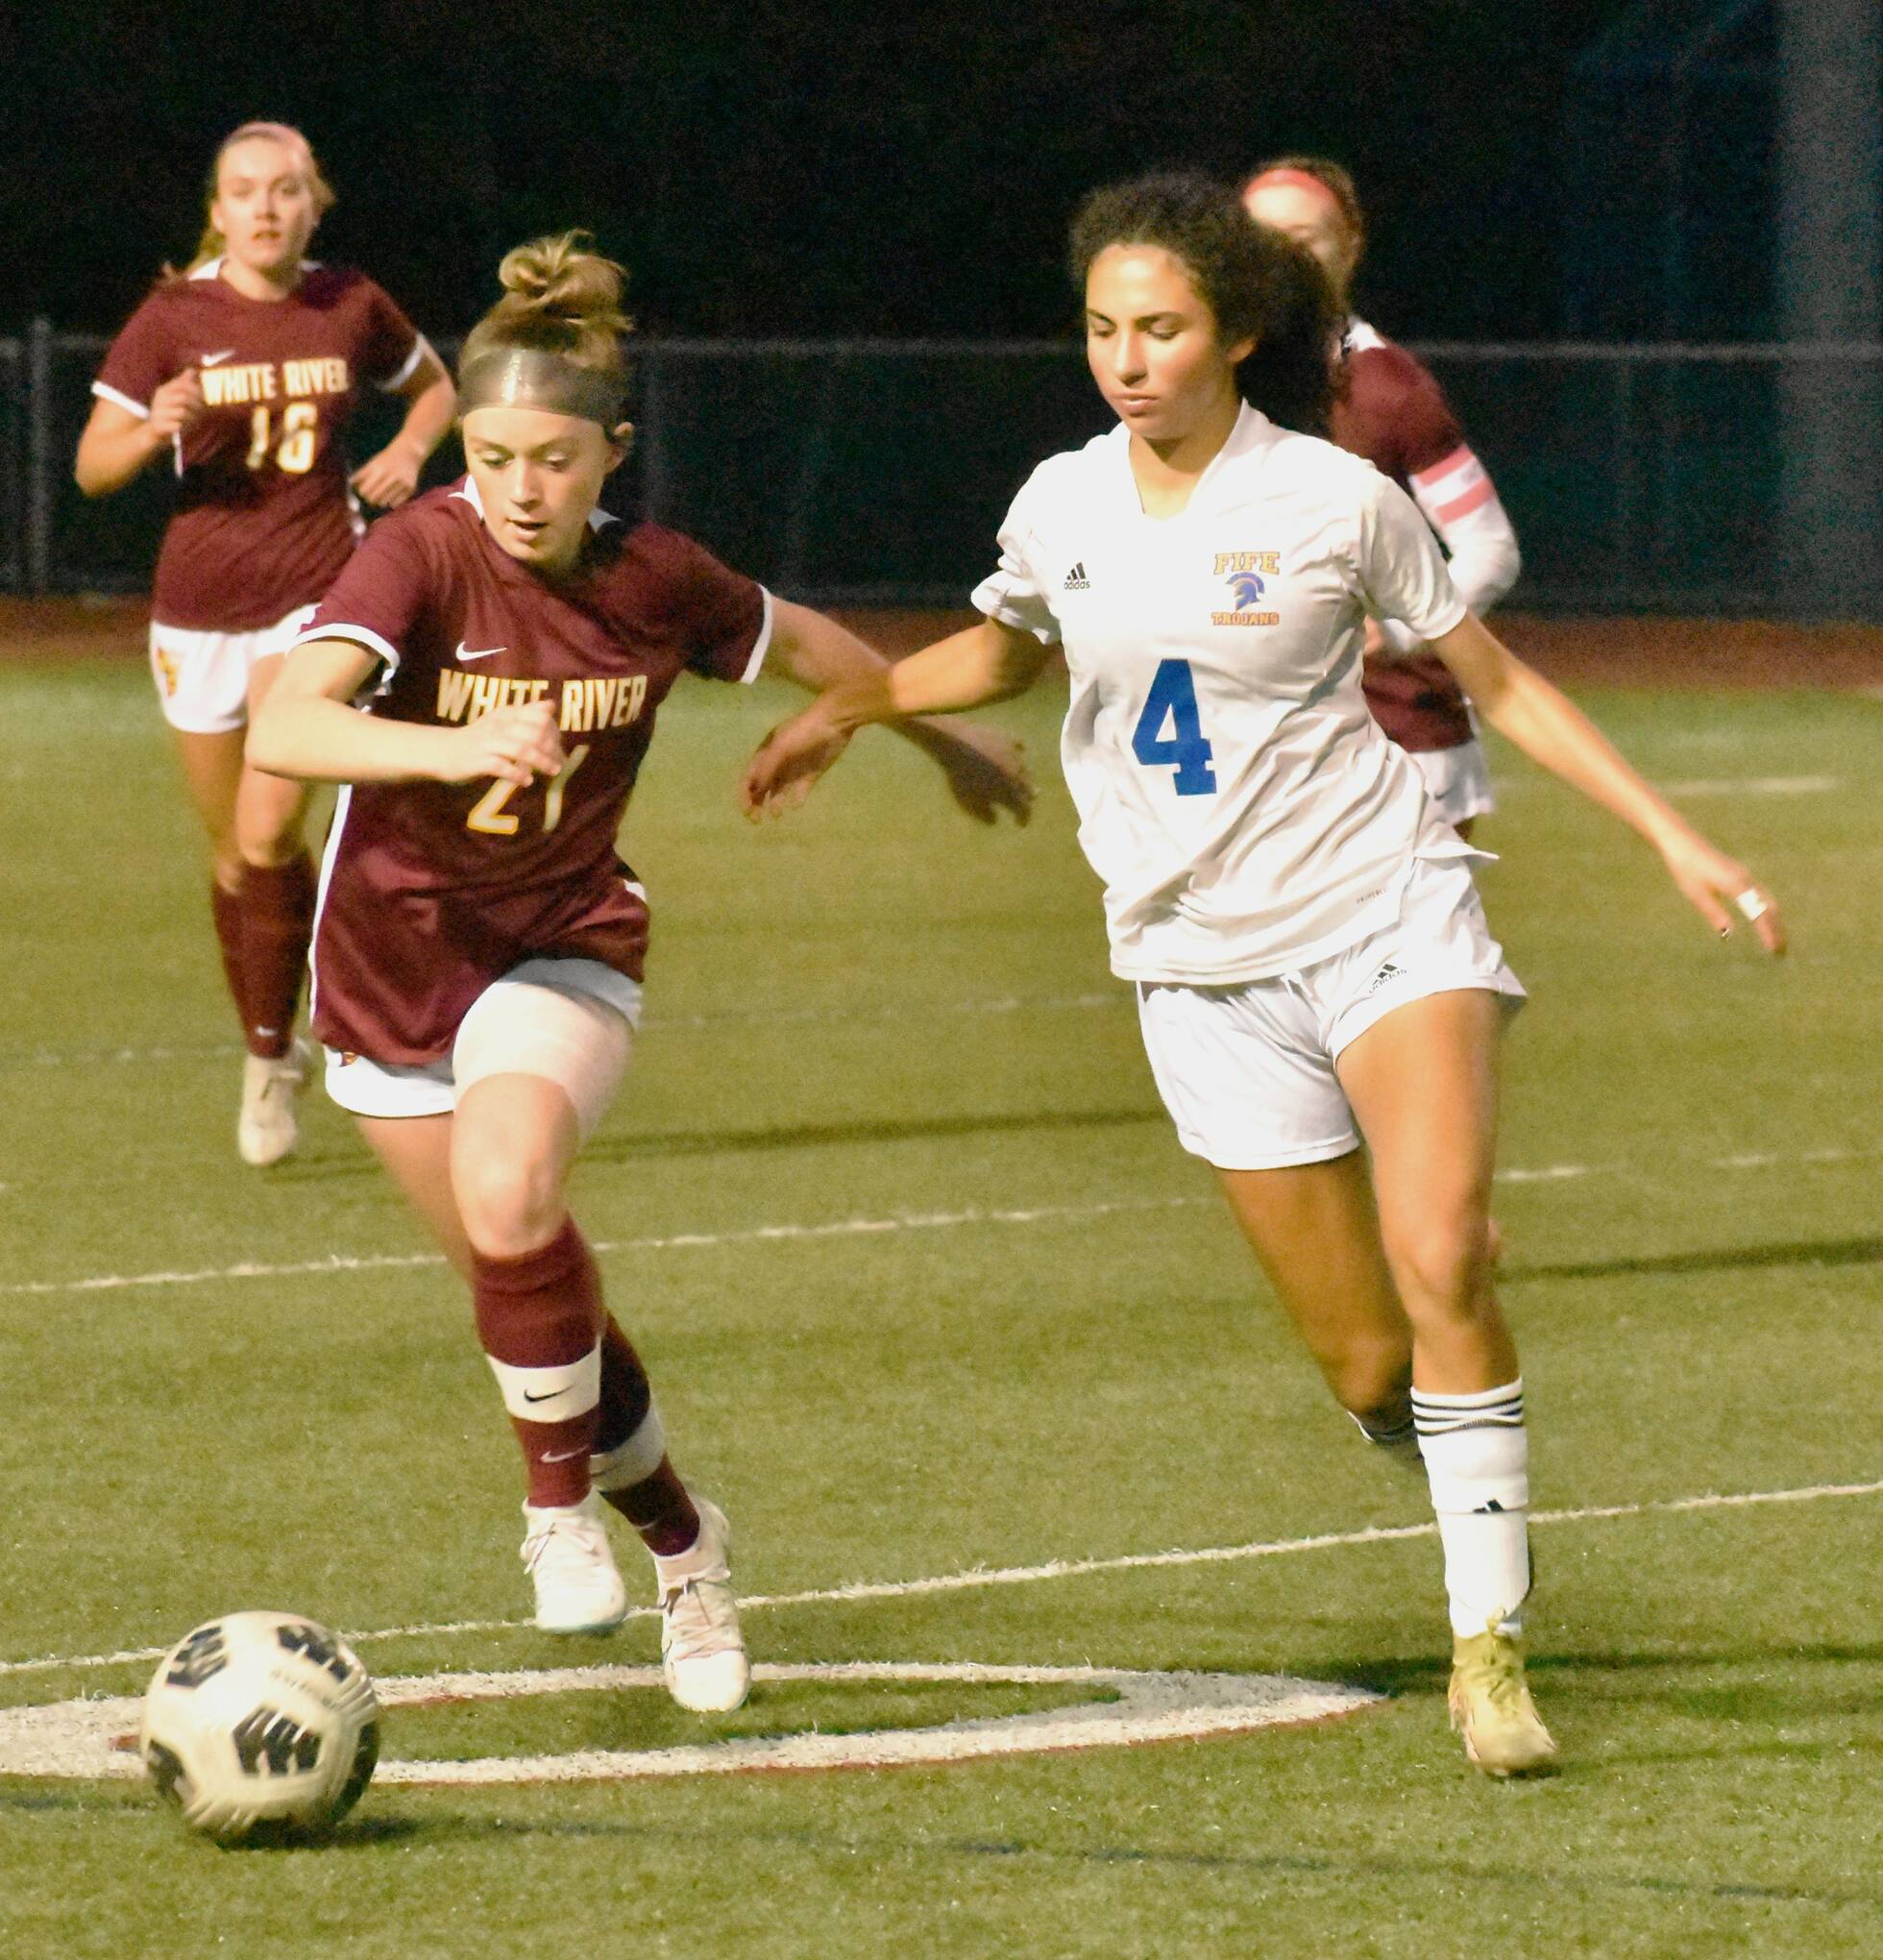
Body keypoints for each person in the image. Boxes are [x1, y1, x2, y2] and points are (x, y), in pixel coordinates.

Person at [743, 172, 1785, 1776]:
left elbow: (1489, 672)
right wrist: (854, 709)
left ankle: (1488, 1650)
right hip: (1195, 967)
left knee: (1441, 1256)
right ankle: (1448, 1446)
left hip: (1383, 908)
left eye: (1157, 328)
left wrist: (1671, 835)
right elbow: (1006, 651)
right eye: (1102, 330)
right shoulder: (1059, 503)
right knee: (1368, 1363)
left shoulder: (1333, 496)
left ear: (1232, 331)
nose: (1126, 359)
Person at [247, 233, 1032, 1712]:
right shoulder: (420, 547)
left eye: (552, 458)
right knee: (530, 1283)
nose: (520, 488)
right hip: (387, 976)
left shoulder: (656, 579)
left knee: (509, 1191)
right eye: (490, 456)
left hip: (563, 946)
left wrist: (937, 733)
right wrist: (454, 741)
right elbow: (293, 725)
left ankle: (551, 1518)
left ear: (613, 451)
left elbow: (805, 647)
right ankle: (683, 1543)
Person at [75, 121, 456, 1166]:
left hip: (314, 592)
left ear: (313, 201)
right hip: (195, 608)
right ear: (218, 207)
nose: (266, 208)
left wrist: (411, 451)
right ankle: (272, 1038)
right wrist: (154, 424)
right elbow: (91, 467)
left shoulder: (348, 302)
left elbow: (434, 386)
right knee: (239, 859)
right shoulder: (172, 315)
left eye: (285, 189)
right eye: (245, 191)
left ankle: (266, 1069)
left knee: (265, 827)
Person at [1242, 157, 1519, 840]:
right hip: (1259, 741)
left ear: (1351, 246)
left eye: (1305, 237)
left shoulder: (1387, 389)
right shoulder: (1212, 378)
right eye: (1260, 237)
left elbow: (1489, 548)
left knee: (1409, 951)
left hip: (1397, 738)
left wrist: (1394, 634)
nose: (1281, 257)